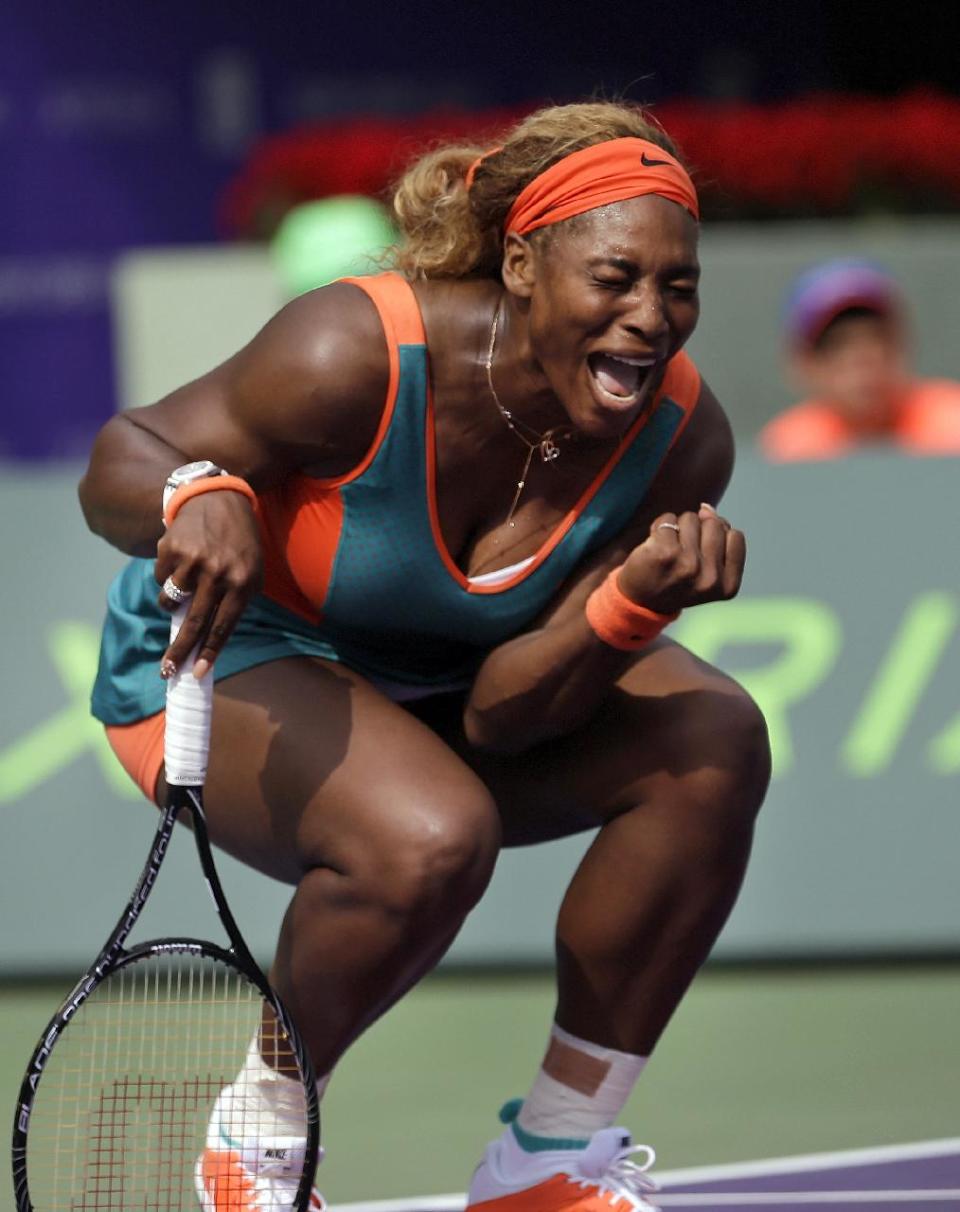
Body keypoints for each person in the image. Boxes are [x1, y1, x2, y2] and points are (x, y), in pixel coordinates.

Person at [81, 100, 770, 1212]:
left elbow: (505, 722)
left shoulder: (685, 441)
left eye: (677, 287)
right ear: (523, 264)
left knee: (715, 740)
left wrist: (625, 613)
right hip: (233, 653)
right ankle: (254, 1148)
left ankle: (551, 1162)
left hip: (448, 693)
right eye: (615, 279)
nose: (650, 318)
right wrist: (193, 492)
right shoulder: (353, 348)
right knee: (434, 835)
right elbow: (125, 454)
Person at [759, 258, 960, 462]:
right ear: (802, 363)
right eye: (836, 344)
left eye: (877, 337)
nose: (862, 357)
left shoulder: (952, 423)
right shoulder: (790, 448)